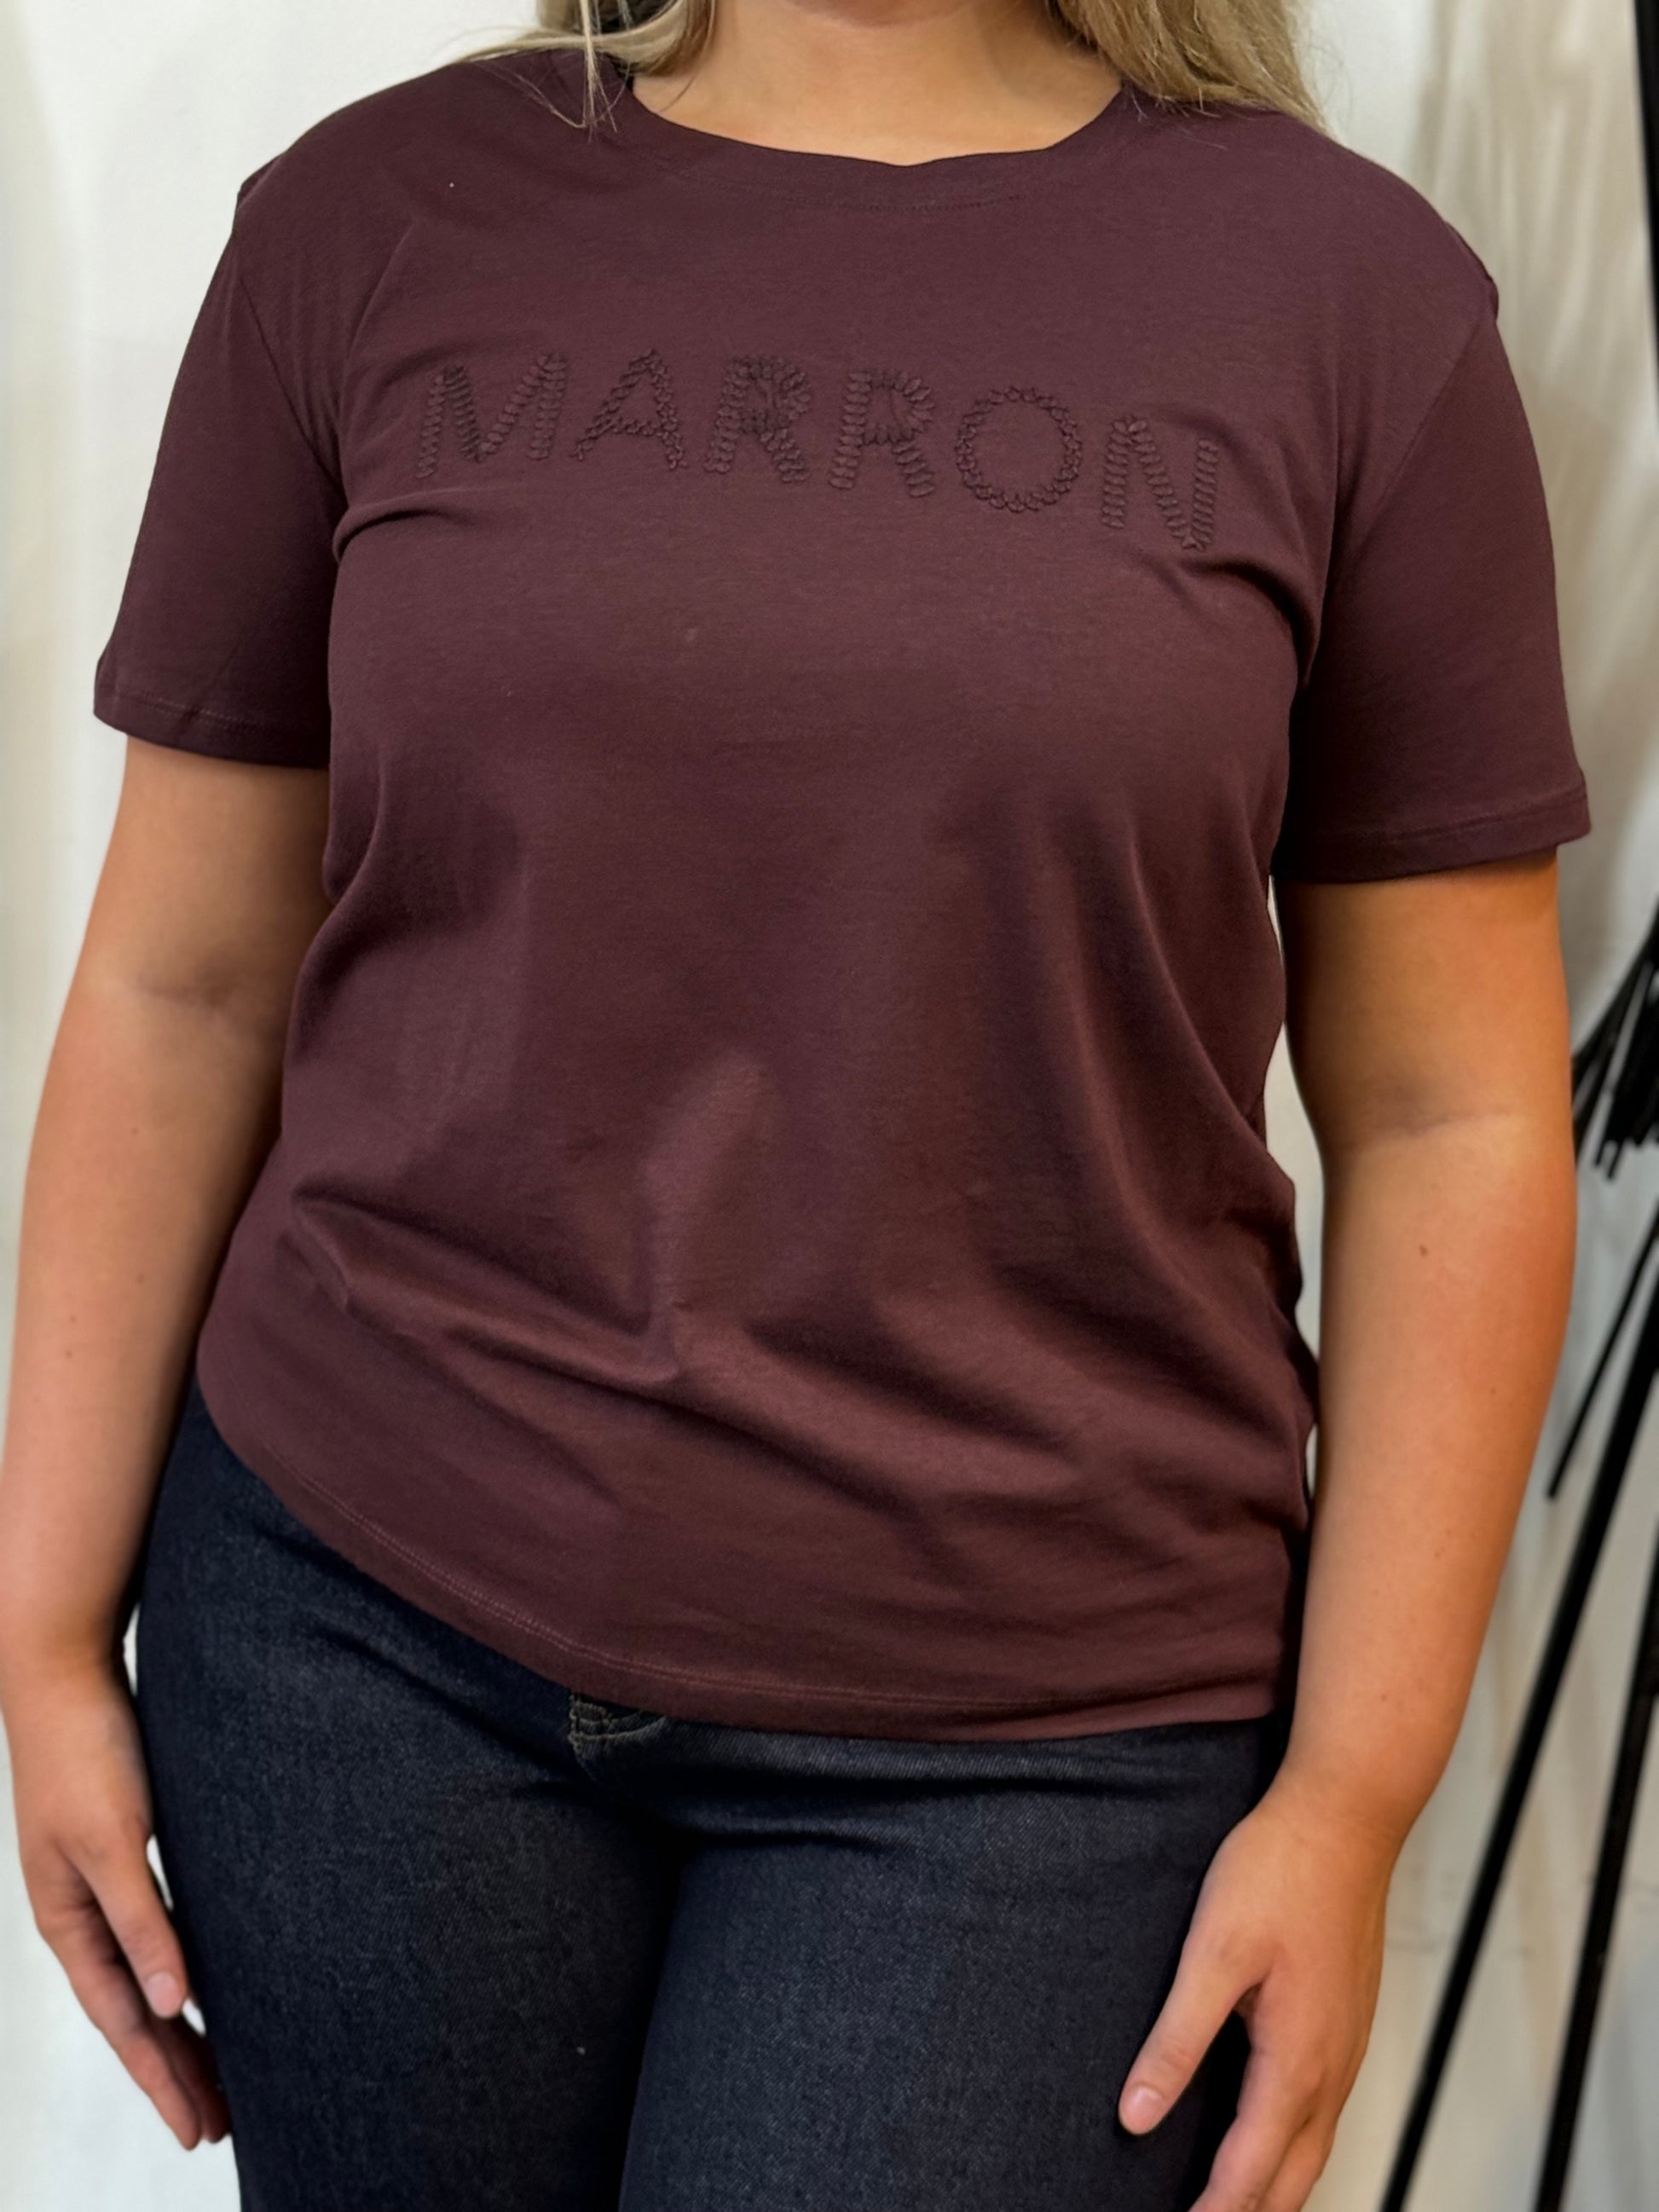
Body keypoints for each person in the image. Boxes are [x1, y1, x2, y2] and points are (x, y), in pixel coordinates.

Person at [0, 0, 1594, 2205]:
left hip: (1034, 1747)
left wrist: (1350, 1794)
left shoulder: (1352, 307)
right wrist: (42, 1631)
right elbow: (182, 984)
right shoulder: (364, 223)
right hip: (358, 1634)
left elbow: (1449, 1111)